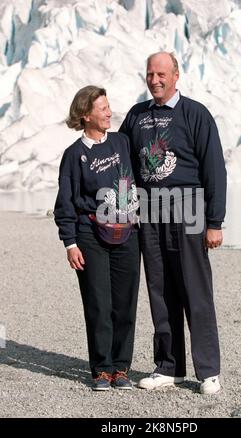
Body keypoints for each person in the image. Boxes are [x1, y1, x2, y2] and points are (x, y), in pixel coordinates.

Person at [119, 52, 226, 394]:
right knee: (160, 290)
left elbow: (214, 169)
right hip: (150, 212)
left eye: (161, 73)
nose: (155, 80)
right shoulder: (137, 116)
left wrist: (215, 221)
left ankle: (208, 371)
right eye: (150, 74)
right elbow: (123, 163)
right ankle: (169, 366)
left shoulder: (195, 114)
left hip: (188, 209)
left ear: (176, 75)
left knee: (195, 289)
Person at [54, 86, 140, 391]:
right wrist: (70, 243)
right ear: (85, 115)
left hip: (127, 232)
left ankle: (121, 368)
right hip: (90, 234)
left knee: (125, 303)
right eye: (102, 108)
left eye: (108, 106)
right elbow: (65, 203)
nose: (108, 112)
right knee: (98, 303)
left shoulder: (122, 142)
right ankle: (102, 369)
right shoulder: (73, 156)